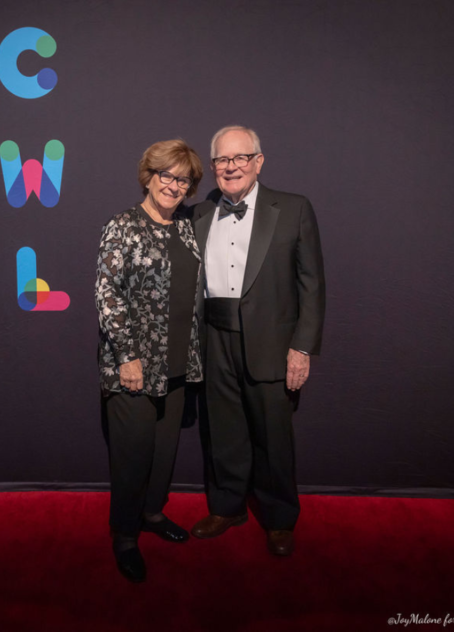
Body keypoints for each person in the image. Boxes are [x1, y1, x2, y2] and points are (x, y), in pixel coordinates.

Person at [190, 125, 326, 556]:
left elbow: (312, 285)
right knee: (224, 430)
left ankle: (280, 517)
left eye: (240, 158)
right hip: (213, 337)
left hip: (271, 340)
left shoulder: (293, 208)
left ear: (258, 161)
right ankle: (228, 505)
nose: (231, 167)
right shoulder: (197, 213)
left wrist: (301, 348)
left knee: (273, 434)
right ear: (213, 167)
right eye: (222, 160)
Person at [95, 140, 204, 582]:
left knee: (164, 452)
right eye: (167, 175)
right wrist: (128, 356)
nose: (174, 185)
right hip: (134, 366)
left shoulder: (186, 229)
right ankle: (124, 535)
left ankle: (153, 515)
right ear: (149, 175)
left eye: (183, 179)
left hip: (179, 362)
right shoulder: (122, 225)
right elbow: (106, 294)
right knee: (133, 456)